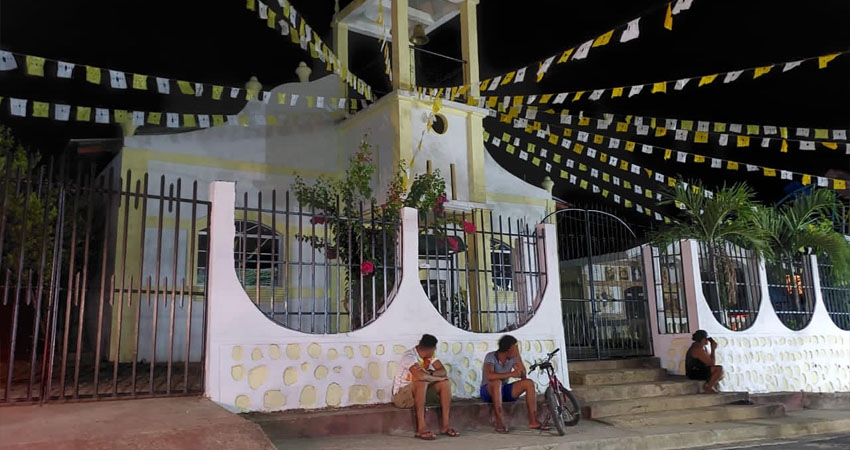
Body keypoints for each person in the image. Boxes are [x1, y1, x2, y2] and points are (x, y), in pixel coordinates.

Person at [391, 334, 459, 440]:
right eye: (434, 348)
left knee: (445, 384)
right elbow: (420, 376)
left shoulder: (429, 356)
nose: (435, 351)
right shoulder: (409, 356)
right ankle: (421, 428)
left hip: (420, 393)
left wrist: (431, 374)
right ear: (430, 349)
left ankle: (445, 426)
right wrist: (437, 378)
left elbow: (442, 371)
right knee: (421, 382)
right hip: (402, 397)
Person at [480, 335, 548, 433]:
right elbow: (489, 376)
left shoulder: (513, 358)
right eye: (515, 347)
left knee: (528, 383)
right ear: (509, 349)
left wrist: (518, 360)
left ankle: (533, 421)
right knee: (496, 382)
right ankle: (499, 422)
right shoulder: (490, 356)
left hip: (503, 391)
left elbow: (523, 376)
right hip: (488, 391)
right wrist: (511, 374)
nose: (517, 348)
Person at [686, 329, 724, 394]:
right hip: (694, 373)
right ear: (702, 339)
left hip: (700, 370)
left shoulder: (702, 348)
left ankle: (709, 385)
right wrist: (713, 350)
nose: (707, 340)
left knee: (720, 371)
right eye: (706, 338)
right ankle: (708, 387)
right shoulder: (697, 349)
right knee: (719, 369)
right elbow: (711, 363)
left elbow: (710, 361)